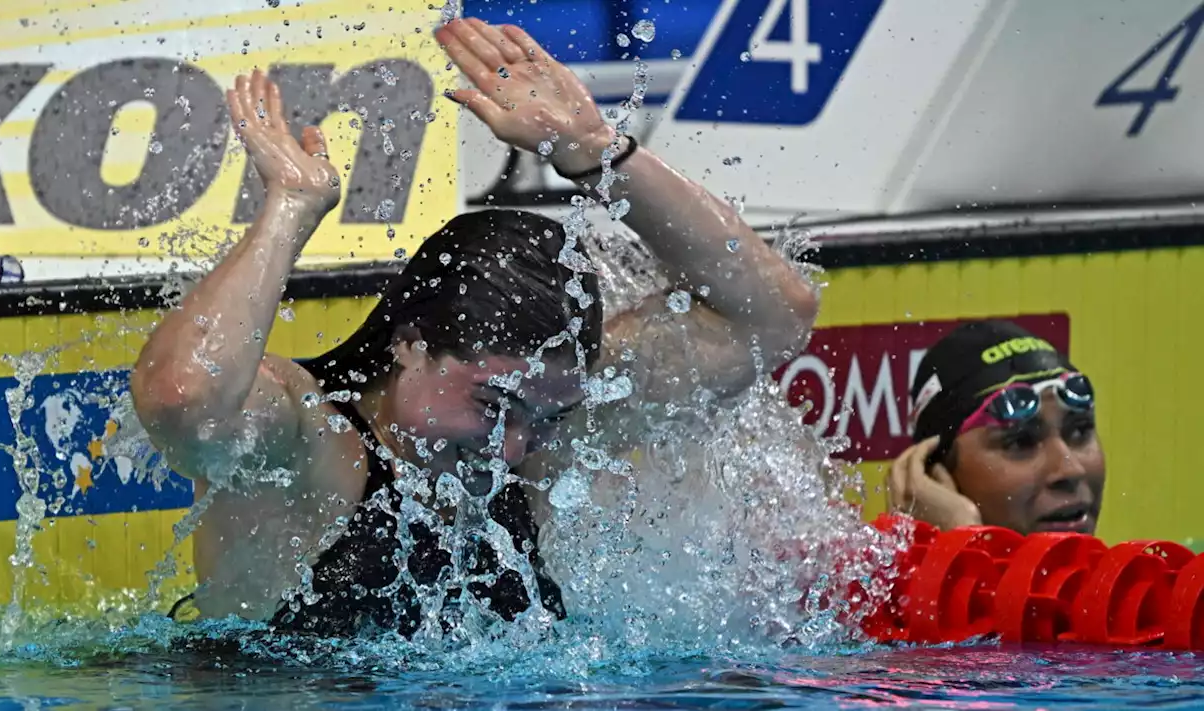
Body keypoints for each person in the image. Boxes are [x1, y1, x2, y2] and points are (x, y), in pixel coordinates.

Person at [132, 19, 818, 637]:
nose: (515, 448)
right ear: (409, 343)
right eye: (492, 405)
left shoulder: (546, 409)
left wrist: (595, 152)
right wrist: (289, 207)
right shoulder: (308, 447)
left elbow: (773, 317)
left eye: (547, 417)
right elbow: (182, 396)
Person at [887, 320, 1105, 535]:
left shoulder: (1133, 569)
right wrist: (960, 541)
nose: (1071, 470)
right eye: (1021, 442)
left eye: (1080, 431)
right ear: (933, 474)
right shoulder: (868, 569)